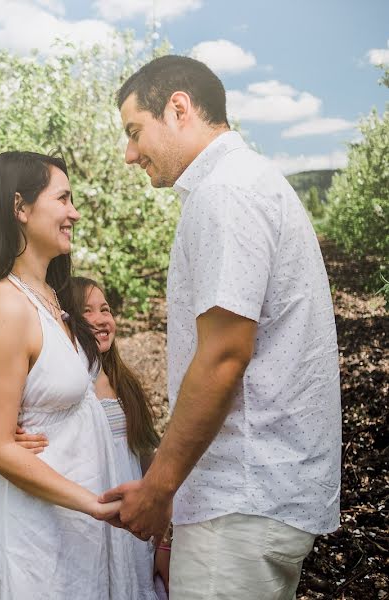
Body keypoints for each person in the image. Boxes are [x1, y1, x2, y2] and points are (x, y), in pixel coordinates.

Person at [97, 55, 341, 600]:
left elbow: (225, 355)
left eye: (136, 132)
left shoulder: (225, 192)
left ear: (178, 108)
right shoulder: (248, 181)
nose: (130, 153)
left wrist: (158, 491)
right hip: (253, 497)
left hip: (241, 499)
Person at [0, 151, 158, 599]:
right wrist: (94, 504)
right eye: (63, 198)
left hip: (77, 527)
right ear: (21, 208)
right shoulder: (6, 303)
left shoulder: (54, 296)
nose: (75, 212)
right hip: (37, 532)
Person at [14, 276, 170, 593]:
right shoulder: (58, 389)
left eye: (105, 309)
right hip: (78, 517)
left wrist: (163, 535)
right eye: (88, 311)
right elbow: (5, 443)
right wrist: (14, 441)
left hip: (126, 524)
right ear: (66, 320)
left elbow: (143, 457)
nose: (101, 320)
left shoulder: (122, 381)